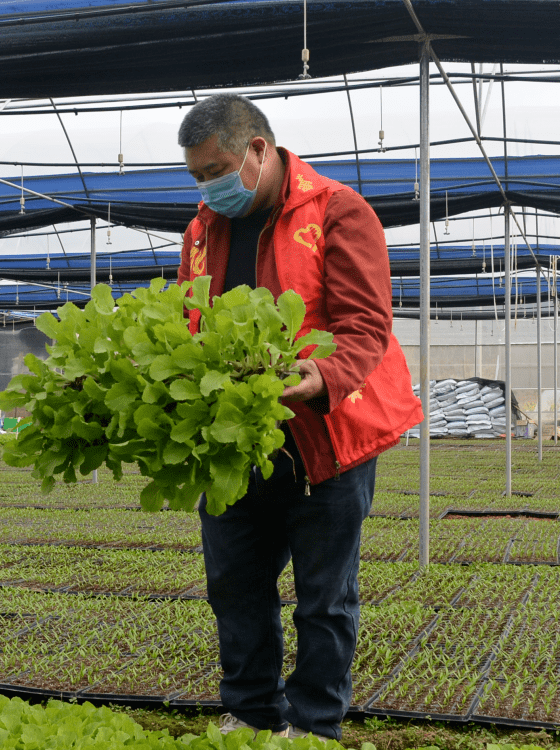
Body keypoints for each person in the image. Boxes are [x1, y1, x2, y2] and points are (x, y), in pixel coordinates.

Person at [176, 94, 422, 741]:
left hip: (325, 440)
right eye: (198, 176)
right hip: (234, 445)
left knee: (323, 597)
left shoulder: (338, 210)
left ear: (257, 150)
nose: (208, 187)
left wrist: (324, 376)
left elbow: (366, 325)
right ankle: (251, 710)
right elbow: (186, 324)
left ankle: (313, 726)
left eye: (216, 170)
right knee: (233, 583)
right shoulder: (201, 231)